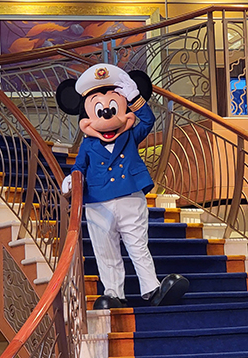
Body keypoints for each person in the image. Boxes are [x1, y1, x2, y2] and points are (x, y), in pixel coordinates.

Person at [57, 63, 189, 310]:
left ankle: (151, 289)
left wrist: (135, 98)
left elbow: (148, 121)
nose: (106, 114)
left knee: (138, 244)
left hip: (130, 196)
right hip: (98, 202)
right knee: (105, 250)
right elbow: (80, 167)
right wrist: (72, 178)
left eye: (112, 107)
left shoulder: (129, 135)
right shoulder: (88, 145)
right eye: (99, 109)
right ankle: (113, 293)